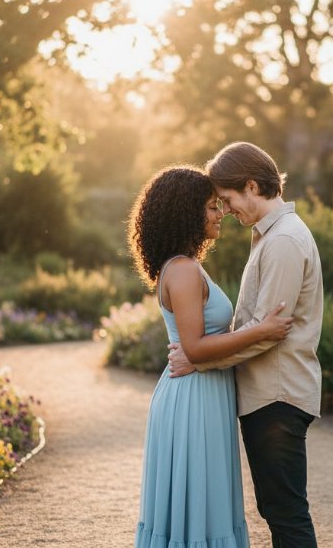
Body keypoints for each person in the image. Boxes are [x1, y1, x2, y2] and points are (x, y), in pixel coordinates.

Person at [167, 142, 324, 548]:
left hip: (277, 395)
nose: (226, 209)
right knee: (278, 511)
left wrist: (198, 359)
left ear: (252, 186)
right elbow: (259, 327)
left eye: (228, 199)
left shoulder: (284, 240)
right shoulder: (269, 237)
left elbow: (268, 331)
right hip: (269, 395)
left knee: (286, 514)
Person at [128, 165, 294, 548]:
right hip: (192, 400)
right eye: (211, 207)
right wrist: (261, 331)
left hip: (204, 392)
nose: (220, 214)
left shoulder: (186, 266)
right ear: (186, 214)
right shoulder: (183, 270)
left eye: (220, 205)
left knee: (206, 503)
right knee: (200, 507)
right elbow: (196, 348)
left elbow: (196, 347)